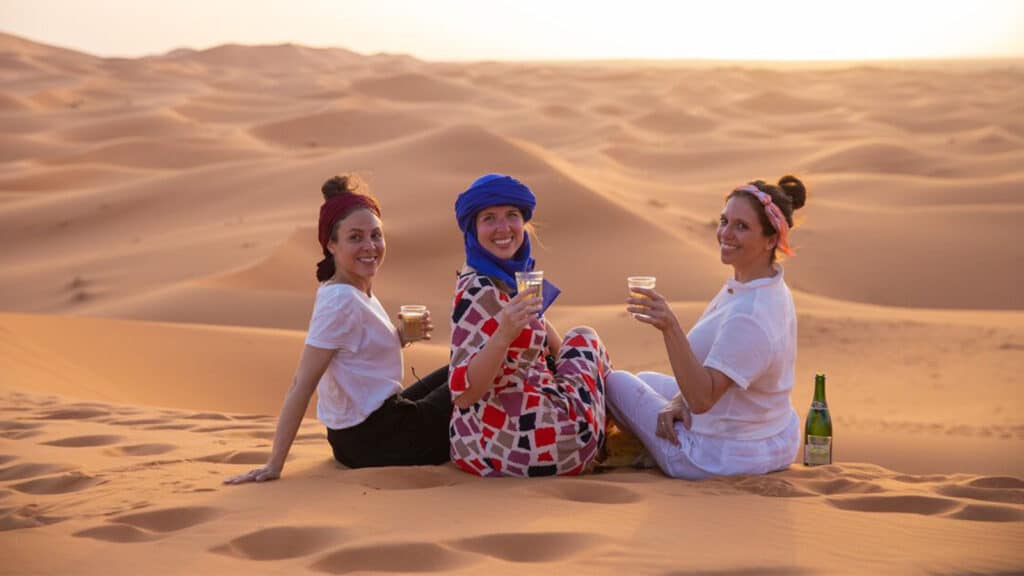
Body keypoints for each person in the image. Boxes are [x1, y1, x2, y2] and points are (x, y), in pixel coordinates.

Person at [225, 175, 451, 484]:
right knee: (481, 372)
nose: (370, 246)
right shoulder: (341, 302)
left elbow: (356, 357)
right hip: (376, 441)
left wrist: (399, 337)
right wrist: (274, 465)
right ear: (331, 244)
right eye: (355, 237)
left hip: (373, 429)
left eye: (376, 235)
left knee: (463, 370)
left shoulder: (353, 290)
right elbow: (301, 384)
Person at [606, 175, 807, 479]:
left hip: (715, 457)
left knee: (616, 383)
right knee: (646, 379)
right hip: (766, 433)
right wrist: (677, 400)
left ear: (770, 240)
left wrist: (669, 326)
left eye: (742, 226)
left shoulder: (750, 314)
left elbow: (701, 399)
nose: (726, 233)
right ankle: (646, 442)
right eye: (724, 221)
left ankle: (628, 452)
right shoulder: (760, 285)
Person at [447, 173, 611, 477]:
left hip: (480, 448)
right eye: (489, 218)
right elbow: (463, 392)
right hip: (528, 444)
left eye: (512, 215)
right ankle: (605, 438)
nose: (503, 228)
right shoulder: (479, 291)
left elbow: (549, 343)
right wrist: (503, 335)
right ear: (473, 228)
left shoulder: (509, 281)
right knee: (586, 338)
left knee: (577, 351)